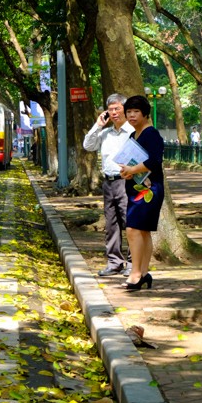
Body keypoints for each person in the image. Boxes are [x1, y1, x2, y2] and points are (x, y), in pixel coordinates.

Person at [83, 94, 135, 277]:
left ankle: (132, 262)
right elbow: (87, 145)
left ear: (124, 110)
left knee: (129, 222)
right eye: (110, 109)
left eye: (117, 109)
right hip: (108, 182)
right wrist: (98, 125)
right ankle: (114, 262)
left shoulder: (132, 132)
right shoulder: (105, 133)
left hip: (127, 182)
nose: (113, 113)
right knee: (111, 224)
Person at [118, 95, 165, 290]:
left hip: (149, 189)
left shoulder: (151, 134)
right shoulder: (132, 136)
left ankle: (135, 273)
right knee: (143, 231)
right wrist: (126, 172)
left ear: (145, 113)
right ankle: (144, 273)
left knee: (133, 229)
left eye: (136, 111)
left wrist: (133, 170)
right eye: (128, 112)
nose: (132, 115)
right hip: (135, 187)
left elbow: (154, 161)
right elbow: (130, 161)